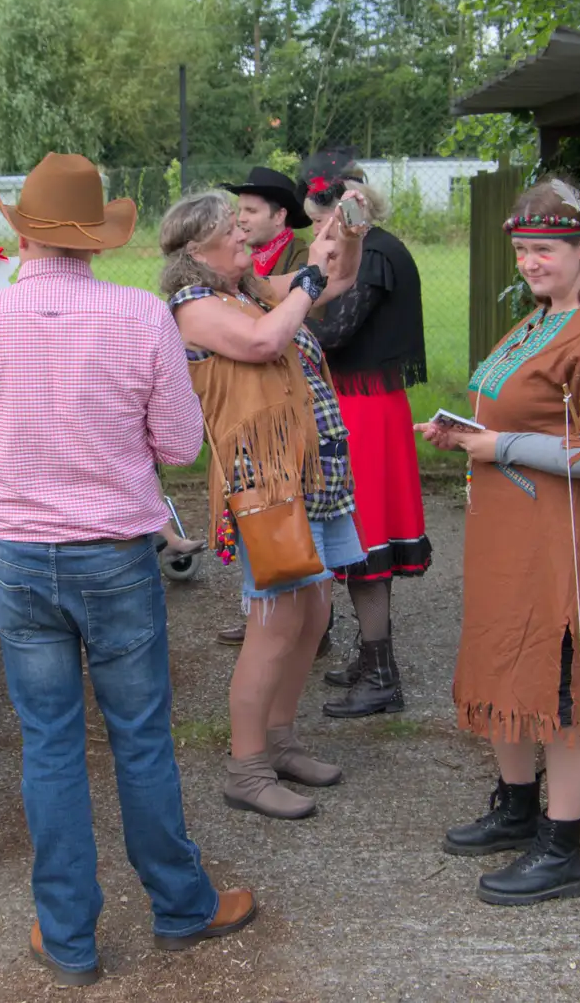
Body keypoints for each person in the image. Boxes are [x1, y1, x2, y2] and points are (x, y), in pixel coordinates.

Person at [0, 153, 256, 986]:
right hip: (113, 552)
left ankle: (68, 934)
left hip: (16, 555)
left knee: (49, 744)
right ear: (96, 240)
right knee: (140, 736)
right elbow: (181, 445)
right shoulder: (140, 317)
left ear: (25, 234)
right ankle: (180, 905)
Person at [416, 177, 580, 906]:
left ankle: (561, 847)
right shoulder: (542, 317)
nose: (530, 262)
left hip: (563, 538)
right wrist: (469, 437)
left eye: (545, 250)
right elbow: (518, 415)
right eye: (522, 250)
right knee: (504, 661)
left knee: (559, 685)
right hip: (508, 535)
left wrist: (500, 444)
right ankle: (516, 809)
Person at [160, 190, 365, 819]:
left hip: (311, 476)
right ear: (198, 249)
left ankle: (279, 743)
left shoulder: (247, 291)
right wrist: (303, 279)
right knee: (275, 622)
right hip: (265, 484)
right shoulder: (194, 305)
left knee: (311, 614)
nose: (246, 237)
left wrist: (346, 231)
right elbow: (262, 344)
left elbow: (341, 277)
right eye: (233, 230)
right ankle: (245, 769)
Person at [297, 154, 433, 719]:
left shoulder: (375, 255)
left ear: (337, 213)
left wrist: (285, 321)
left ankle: (381, 673)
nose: (318, 237)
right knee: (361, 538)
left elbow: (338, 332)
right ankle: (372, 658)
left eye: (318, 223)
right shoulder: (377, 247)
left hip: (365, 411)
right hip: (364, 406)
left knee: (365, 538)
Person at [212, 165, 315, 646]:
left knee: (303, 589)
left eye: (249, 212)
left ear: (280, 216)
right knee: (275, 602)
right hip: (257, 452)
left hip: (285, 438)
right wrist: (305, 291)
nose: (241, 224)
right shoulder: (203, 296)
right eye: (235, 218)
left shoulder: (255, 276)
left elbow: (332, 278)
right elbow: (263, 343)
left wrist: (342, 242)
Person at [225, 165, 313, 277]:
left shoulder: (303, 260)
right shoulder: (243, 260)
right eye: (240, 210)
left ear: (279, 216)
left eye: (251, 211)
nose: (241, 218)